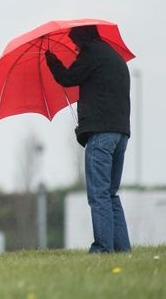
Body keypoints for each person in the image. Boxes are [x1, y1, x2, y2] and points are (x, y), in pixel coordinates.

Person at [45, 24, 132, 253]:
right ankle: (123, 250)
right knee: (110, 194)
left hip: (102, 135)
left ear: (82, 38)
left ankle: (103, 248)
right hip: (121, 133)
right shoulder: (115, 57)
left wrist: (50, 60)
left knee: (99, 194)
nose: (75, 46)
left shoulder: (92, 53)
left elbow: (67, 77)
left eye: (75, 41)